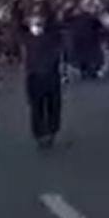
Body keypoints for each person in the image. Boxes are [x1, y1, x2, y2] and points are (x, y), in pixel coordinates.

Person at [24, 10, 63, 149]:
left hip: (50, 76)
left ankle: (51, 132)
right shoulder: (27, 38)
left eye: (39, 23)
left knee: (53, 106)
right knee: (37, 108)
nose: (36, 26)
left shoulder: (53, 37)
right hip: (34, 77)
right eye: (34, 23)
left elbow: (58, 54)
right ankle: (40, 135)